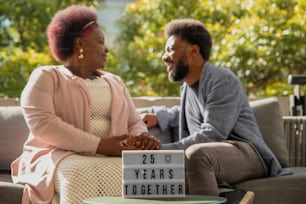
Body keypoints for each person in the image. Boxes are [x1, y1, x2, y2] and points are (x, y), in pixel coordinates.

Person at [11, 5, 160, 204]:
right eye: (100, 42)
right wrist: (100, 146)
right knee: (79, 175)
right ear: (79, 45)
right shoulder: (46, 77)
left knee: (152, 171)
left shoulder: (115, 82)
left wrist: (143, 137)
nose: (106, 49)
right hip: (58, 156)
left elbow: (134, 121)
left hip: (112, 158)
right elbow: (43, 125)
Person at [142, 19, 291, 197]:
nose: (164, 57)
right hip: (216, 155)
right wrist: (159, 116)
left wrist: (163, 151)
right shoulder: (187, 88)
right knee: (194, 157)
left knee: (198, 155)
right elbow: (191, 111)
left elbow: (212, 133)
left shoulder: (222, 80)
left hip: (247, 153)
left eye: (171, 50)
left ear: (194, 51)